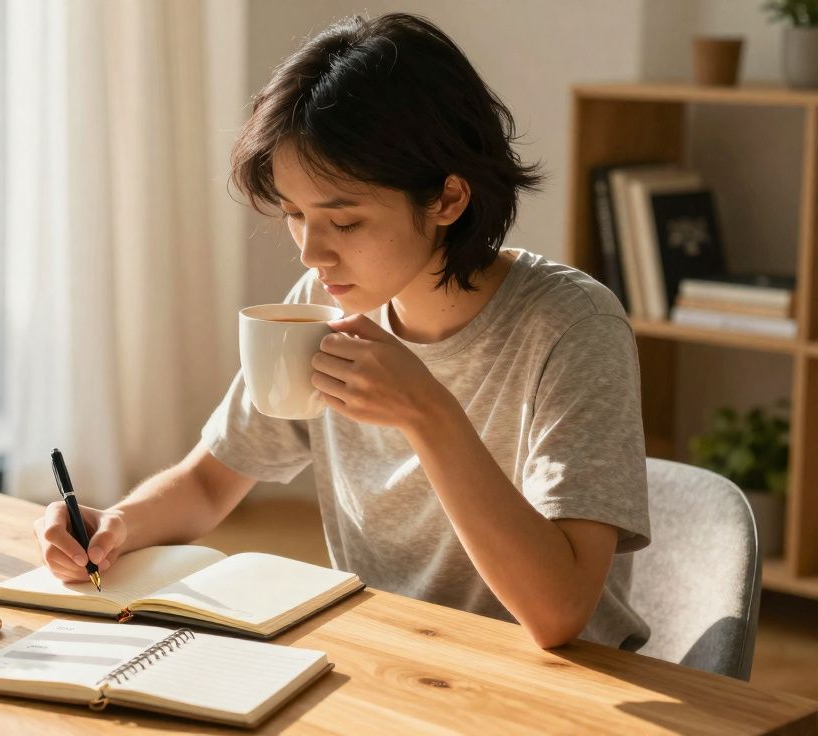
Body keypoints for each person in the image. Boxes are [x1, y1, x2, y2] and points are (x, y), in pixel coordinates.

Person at [33, 13, 650, 651]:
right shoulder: (320, 307)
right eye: (295, 214)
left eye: (345, 223)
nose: (311, 254)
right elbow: (210, 481)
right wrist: (116, 525)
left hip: (558, 687)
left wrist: (428, 413)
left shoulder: (571, 327)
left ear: (448, 199)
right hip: (386, 658)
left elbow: (558, 614)